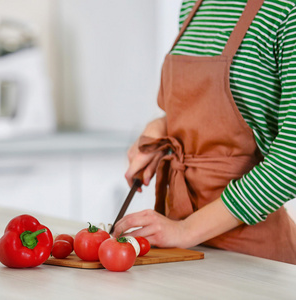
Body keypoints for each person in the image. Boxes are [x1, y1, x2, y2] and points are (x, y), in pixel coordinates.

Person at [112, 0, 296, 264]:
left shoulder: (286, 12)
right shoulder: (193, 5)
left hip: (250, 256)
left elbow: (291, 161)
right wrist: (156, 131)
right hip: (176, 242)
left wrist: (186, 230)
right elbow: (200, 112)